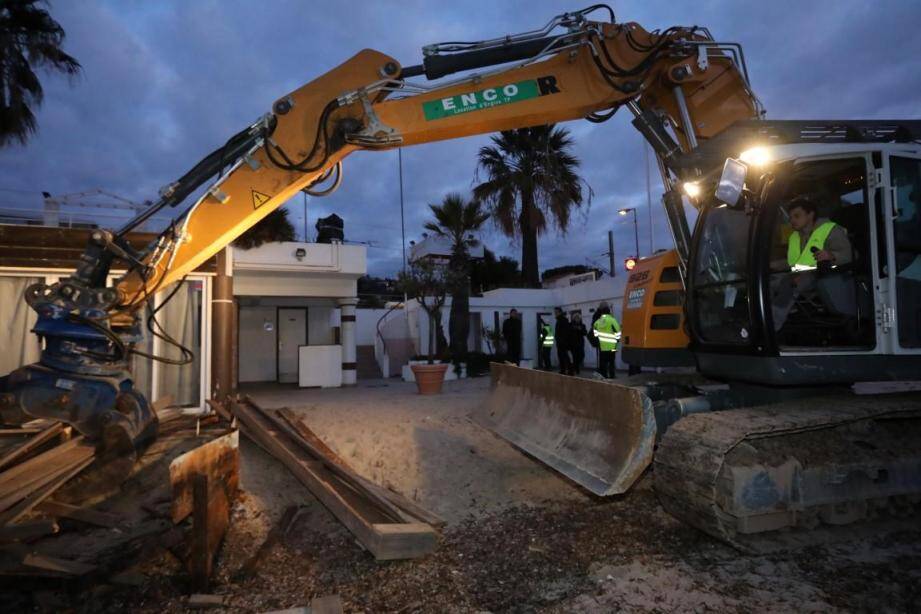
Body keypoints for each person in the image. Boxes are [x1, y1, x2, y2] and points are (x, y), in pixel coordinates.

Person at [772, 196, 852, 331]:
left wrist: (831, 255)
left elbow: (848, 255)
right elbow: (794, 262)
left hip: (824, 275)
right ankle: (772, 313)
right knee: (768, 281)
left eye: (797, 216)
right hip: (799, 273)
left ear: (810, 215)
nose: (792, 221)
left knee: (790, 283)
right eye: (790, 217)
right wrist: (773, 265)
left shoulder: (830, 229)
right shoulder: (795, 236)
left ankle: (771, 326)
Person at [592, 305, 621, 379]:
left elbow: (595, 332)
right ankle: (612, 375)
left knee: (603, 362)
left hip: (602, 346)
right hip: (612, 346)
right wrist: (617, 339)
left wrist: (598, 339)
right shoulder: (612, 320)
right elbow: (617, 331)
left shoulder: (598, 322)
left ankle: (604, 375)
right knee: (611, 361)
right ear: (609, 312)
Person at [554, 307, 573, 375]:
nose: (555, 314)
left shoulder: (562, 320)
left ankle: (568, 370)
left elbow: (564, 332)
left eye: (556, 312)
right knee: (562, 357)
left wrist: (562, 341)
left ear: (560, 312)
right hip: (561, 342)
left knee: (564, 356)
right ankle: (564, 370)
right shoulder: (560, 320)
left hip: (562, 342)